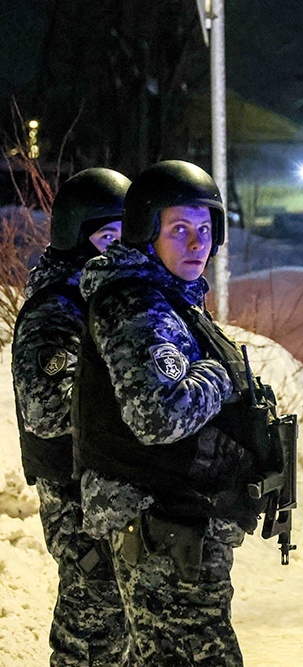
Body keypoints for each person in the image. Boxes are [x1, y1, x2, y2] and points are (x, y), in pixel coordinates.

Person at [74, 160, 266, 666]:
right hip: (159, 523)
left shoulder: (169, 302)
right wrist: (221, 374)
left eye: (205, 229)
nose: (197, 243)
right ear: (145, 232)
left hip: (177, 520)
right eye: (179, 229)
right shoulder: (137, 307)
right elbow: (158, 417)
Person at [11, 167, 131, 666]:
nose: (119, 251)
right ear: (76, 238)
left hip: (108, 487)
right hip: (73, 495)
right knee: (90, 634)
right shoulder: (56, 311)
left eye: (127, 238)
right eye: (108, 238)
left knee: (125, 632)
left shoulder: (106, 301)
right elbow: (46, 411)